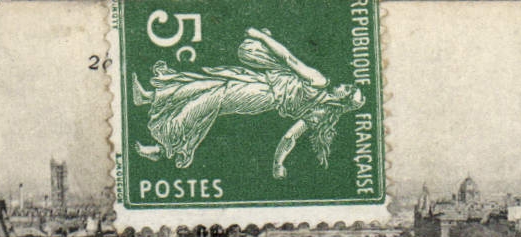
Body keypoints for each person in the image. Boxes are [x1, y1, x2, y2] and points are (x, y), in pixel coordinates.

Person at [130, 28, 366, 178]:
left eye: (347, 88)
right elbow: (290, 138)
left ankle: (162, 148)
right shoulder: (320, 112)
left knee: (210, 99)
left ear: (342, 98)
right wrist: (278, 164)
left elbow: (289, 59)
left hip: (261, 93)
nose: (343, 85)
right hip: (259, 82)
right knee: (207, 84)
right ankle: (150, 97)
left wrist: (262, 37)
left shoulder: (319, 82)